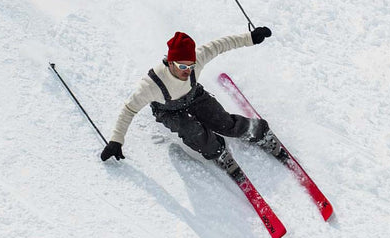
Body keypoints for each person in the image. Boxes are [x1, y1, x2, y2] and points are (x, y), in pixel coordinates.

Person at [100, 28, 282, 173]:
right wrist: (117, 140)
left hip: (194, 96)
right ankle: (218, 152)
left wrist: (250, 37)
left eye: (190, 65)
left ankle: (260, 132)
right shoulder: (151, 85)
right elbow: (129, 110)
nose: (187, 70)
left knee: (224, 123)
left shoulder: (197, 58)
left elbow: (222, 44)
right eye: (181, 66)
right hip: (167, 110)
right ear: (170, 62)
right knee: (194, 132)